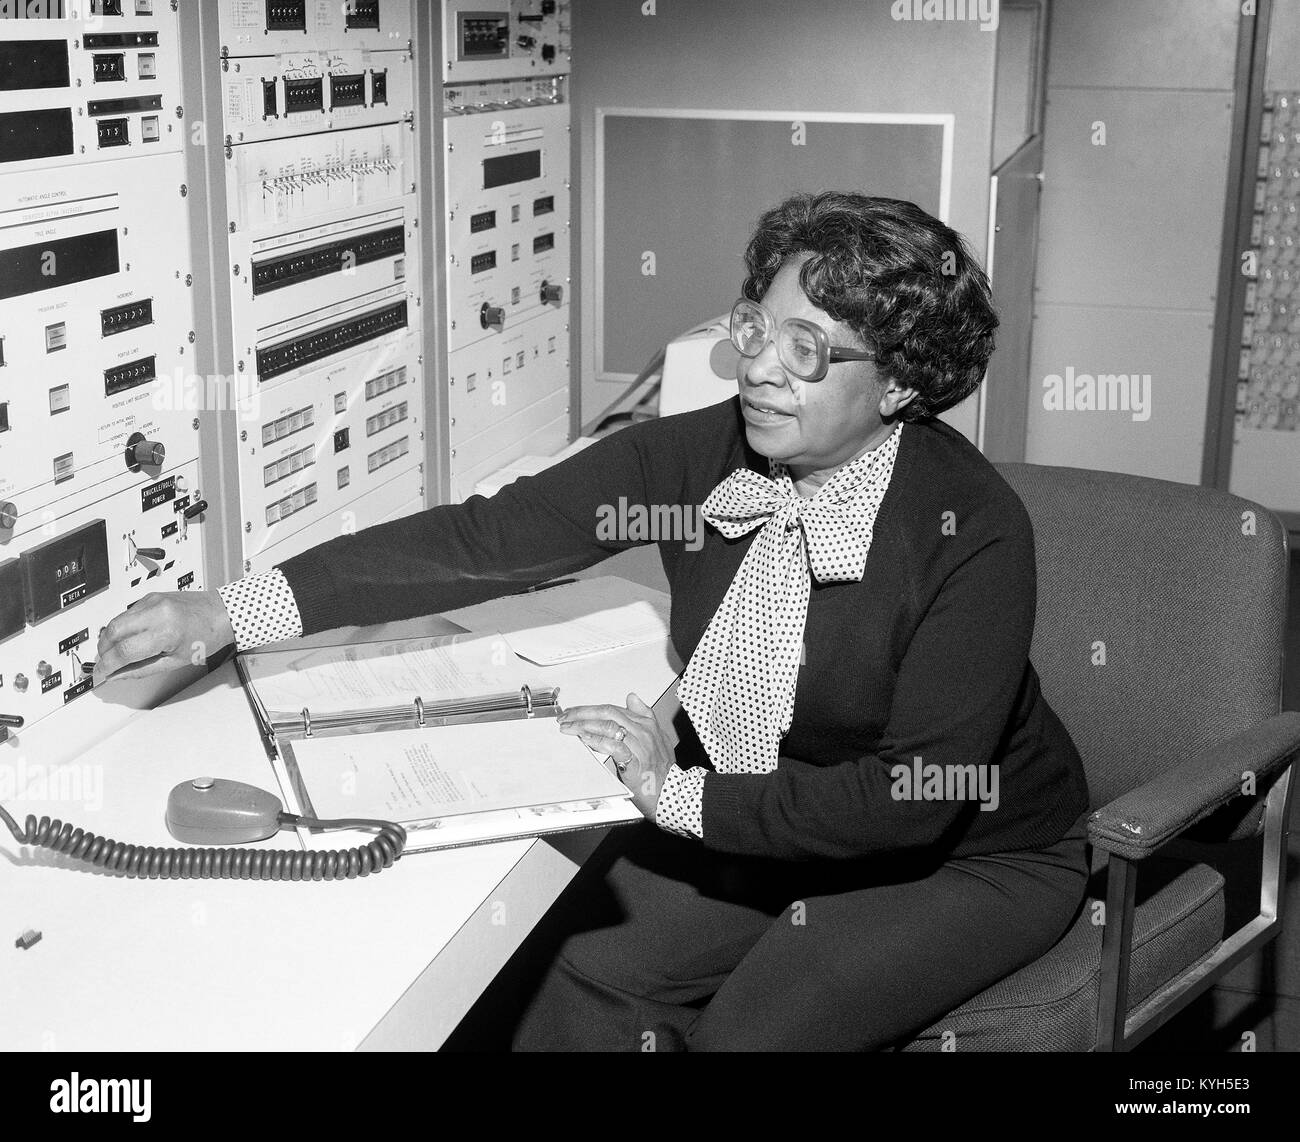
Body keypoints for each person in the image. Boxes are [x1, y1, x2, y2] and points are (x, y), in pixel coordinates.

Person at [93, 192, 1090, 1051]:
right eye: (756, 325)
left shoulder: (971, 531)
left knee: (755, 1032)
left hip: (966, 854)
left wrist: (681, 798)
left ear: (900, 382)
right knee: (573, 967)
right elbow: (488, 538)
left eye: (807, 349)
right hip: (769, 806)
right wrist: (229, 608)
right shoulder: (702, 460)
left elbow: (908, 797)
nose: (756, 368)